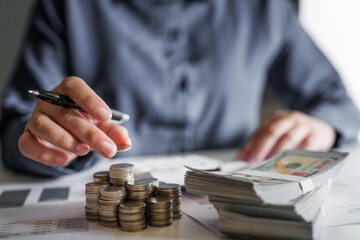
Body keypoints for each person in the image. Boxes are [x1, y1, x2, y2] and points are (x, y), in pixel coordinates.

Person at [1, 0, 359, 177]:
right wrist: (47, 141)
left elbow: (338, 105)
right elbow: (15, 125)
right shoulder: (66, 6)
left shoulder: (266, 7)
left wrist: (323, 127)